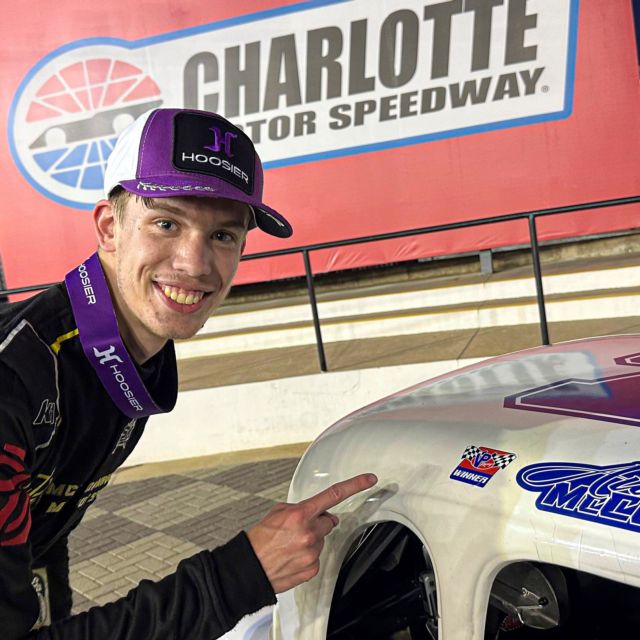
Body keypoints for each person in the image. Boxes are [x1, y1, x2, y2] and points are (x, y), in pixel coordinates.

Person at [0, 108, 377, 639]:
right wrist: (241, 575)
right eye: (167, 223)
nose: (196, 264)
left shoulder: (122, 357)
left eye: (222, 235)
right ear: (110, 227)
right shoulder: (16, 382)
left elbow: (42, 531)